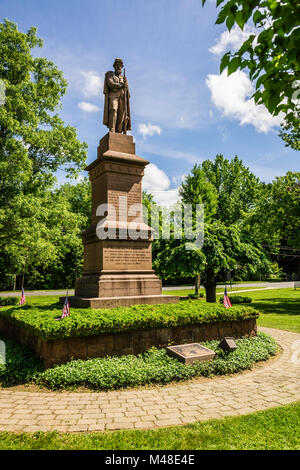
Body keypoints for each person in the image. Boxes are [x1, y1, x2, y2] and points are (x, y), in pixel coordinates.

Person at [103, 58, 131, 133]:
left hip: (122, 97)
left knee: (121, 114)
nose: (119, 67)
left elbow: (128, 92)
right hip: (113, 96)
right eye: (117, 65)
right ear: (114, 67)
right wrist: (121, 85)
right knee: (113, 109)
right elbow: (110, 84)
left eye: (120, 66)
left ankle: (119, 131)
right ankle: (112, 129)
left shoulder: (124, 78)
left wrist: (126, 86)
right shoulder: (110, 74)